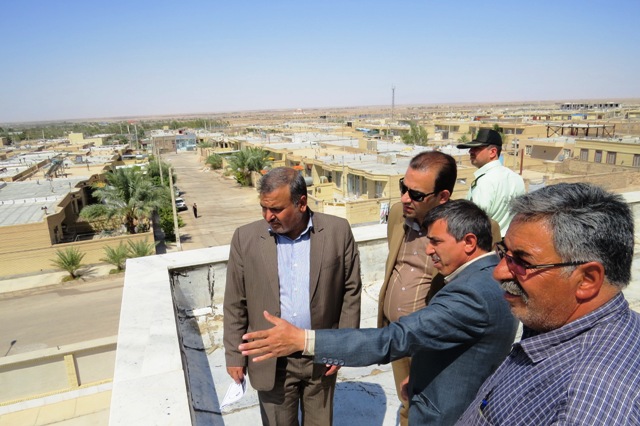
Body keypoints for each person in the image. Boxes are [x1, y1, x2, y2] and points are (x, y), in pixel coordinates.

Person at [239, 200, 518, 425]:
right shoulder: (487, 276)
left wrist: (303, 340)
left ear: (469, 242)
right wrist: (421, 375)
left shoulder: (472, 294)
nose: (428, 250)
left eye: (436, 241)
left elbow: (394, 339)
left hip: (448, 414)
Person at [457, 183, 640, 425]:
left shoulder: (589, 400)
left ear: (587, 279)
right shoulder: (553, 322)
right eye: (504, 252)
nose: (499, 272)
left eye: (522, 262)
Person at [223, 167, 362, 426]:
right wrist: (234, 355)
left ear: (301, 203)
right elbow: (235, 303)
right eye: (264, 208)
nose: (268, 216)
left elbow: (350, 292)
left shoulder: (338, 231)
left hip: (320, 354)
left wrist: (342, 346)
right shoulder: (245, 238)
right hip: (271, 360)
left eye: (276, 209)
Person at [377, 151, 454, 425]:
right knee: (407, 403)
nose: (404, 198)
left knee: (429, 408)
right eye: (403, 188)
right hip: (397, 335)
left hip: (431, 344)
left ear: (442, 196)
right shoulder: (398, 215)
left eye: (416, 194)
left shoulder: (464, 227)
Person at [457, 129, 525, 236]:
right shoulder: (516, 178)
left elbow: (474, 222)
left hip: (487, 241)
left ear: (493, 152)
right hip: (508, 241)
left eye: (476, 148)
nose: (470, 151)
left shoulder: (485, 181)